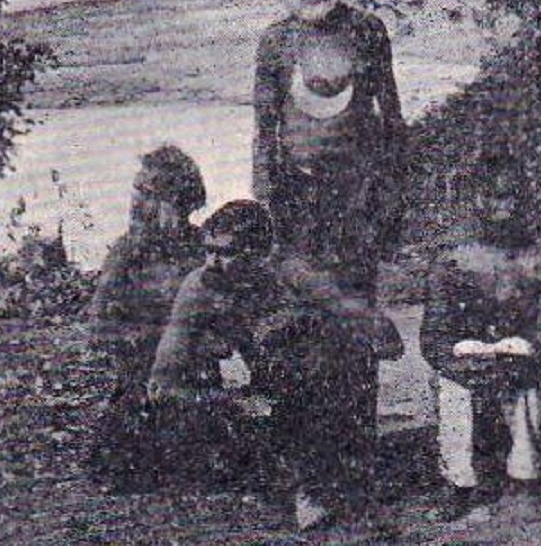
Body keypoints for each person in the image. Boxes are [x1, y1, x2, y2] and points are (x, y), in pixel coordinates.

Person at [250, 0, 407, 525]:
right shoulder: (275, 43)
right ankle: (309, 483)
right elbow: (265, 134)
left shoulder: (368, 32)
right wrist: (267, 218)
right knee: (305, 339)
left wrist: (392, 203)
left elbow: (391, 121)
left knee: (358, 335)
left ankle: (357, 474)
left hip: (355, 210)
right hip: (298, 216)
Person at [146, 199, 380, 525]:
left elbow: (383, 337)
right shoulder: (199, 287)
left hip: (316, 376)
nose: (211, 262)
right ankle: (250, 458)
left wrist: (304, 322)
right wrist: (230, 400)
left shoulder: (295, 275)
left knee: (327, 351)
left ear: (259, 255)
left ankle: (330, 471)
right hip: (264, 385)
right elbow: (163, 379)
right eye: (208, 249)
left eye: (225, 252)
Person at [419, 200, 541, 520]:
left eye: (510, 202)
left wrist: (527, 351)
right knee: (454, 393)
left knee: (526, 393)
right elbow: (434, 340)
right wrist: (468, 367)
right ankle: (460, 483)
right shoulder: (450, 265)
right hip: (466, 362)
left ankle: (525, 480)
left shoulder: (537, 262)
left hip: (517, 358)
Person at [85, 145, 207, 491]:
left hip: (193, 367)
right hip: (142, 371)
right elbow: (99, 324)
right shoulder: (126, 252)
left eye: (150, 193)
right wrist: (137, 339)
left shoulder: (202, 248)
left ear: (179, 202)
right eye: (136, 190)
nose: (136, 202)